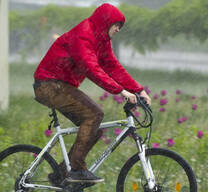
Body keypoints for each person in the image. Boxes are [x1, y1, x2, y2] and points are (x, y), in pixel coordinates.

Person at [33, 3, 151, 185]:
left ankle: (62, 175)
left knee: (93, 130)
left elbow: (113, 67)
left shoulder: (101, 41)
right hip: (48, 85)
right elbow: (91, 68)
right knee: (94, 114)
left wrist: (138, 89)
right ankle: (77, 170)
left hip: (60, 85)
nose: (119, 29)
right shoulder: (84, 34)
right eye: (117, 25)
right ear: (106, 22)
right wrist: (120, 90)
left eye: (121, 26)